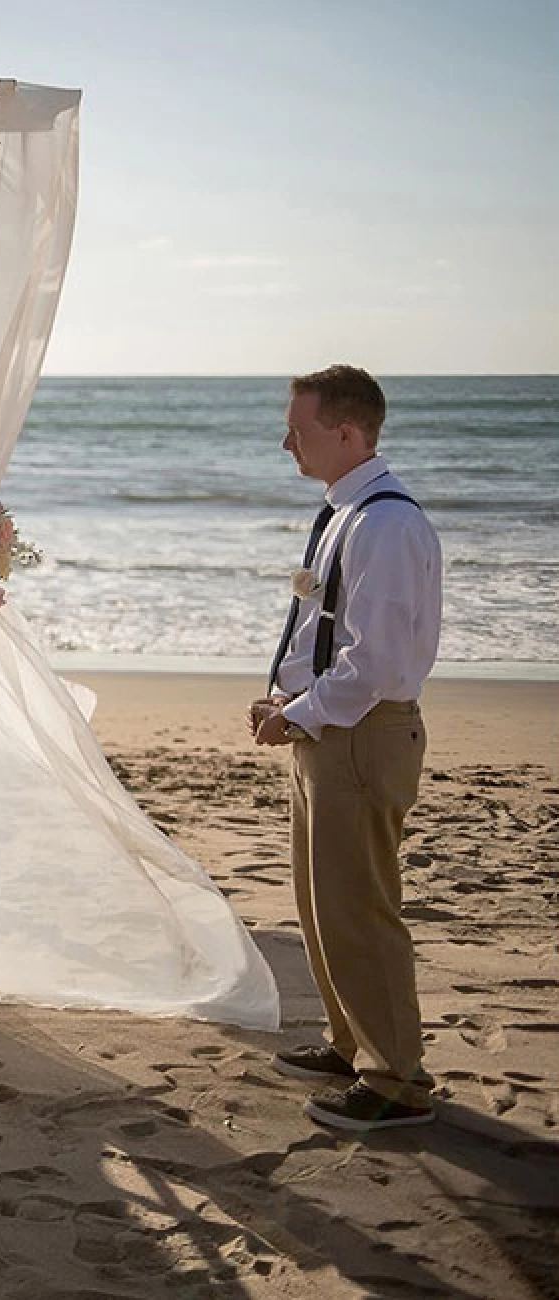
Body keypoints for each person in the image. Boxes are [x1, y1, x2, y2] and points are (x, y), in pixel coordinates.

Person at [251, 364, 443, 1132]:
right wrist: (288, 698)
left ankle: (396, 1081)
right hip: (329, 728)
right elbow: (324, 633)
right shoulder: (344, 513)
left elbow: (381, 663)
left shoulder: (387, 525)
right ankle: (351, 1042)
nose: (285, 441)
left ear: (347, 431)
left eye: (297, 429)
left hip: (361, 735)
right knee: (321, 903)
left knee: (359, 908)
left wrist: (302, 712)